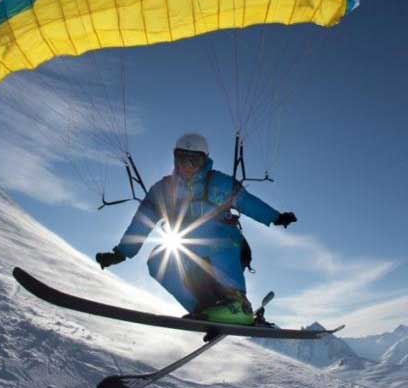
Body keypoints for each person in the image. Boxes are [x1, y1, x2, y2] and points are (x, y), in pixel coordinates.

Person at [95, 133, 297, 325]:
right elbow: (143, 220)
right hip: (190, 254)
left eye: (194, 161)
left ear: (205, 161)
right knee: (158, 260)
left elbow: (246, 201)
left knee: (211, 235)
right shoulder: (164, 190)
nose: (187, 166)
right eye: (182, 159)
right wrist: (121, 253)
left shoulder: (219, 183)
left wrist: (275, 217)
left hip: (227, 248)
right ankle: (203, 309)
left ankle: (237, 304)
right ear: (175, 160)